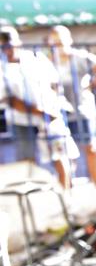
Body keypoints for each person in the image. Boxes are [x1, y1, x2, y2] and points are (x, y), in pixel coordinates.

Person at [0, 26, 78, 190]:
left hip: (50, 117)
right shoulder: (2, 68)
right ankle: (34, 199)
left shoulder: (37, 58)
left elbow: (54, 84)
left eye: (9, 45)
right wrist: (41, 112)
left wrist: (53, 107)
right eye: (3, 47)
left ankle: (66, 196)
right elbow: (9, 99)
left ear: (18, 43)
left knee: (60, 156)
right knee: (27, 163)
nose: (7, 51)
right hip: (22, 121)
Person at [44, 25, 96, 189]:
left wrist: (91, 83)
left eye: (61, 41)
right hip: (59, 112)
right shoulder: (48, 61)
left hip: (82, 109)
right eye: (54, 42)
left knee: (90, 146)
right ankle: (69, 191)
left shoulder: (80, 57)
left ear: (69, 41)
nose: (58, 45)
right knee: (65, 152)